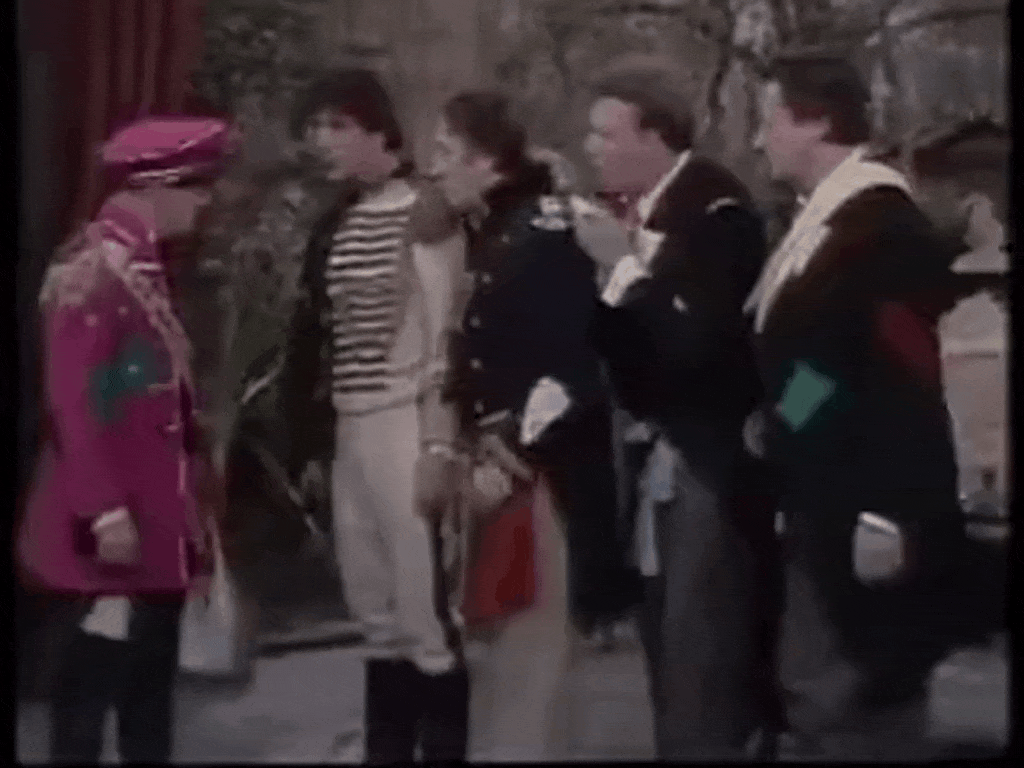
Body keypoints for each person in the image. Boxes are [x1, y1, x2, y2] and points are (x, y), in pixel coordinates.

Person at [744, 55, 976, 760]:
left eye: (769, 120)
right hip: (822, 493)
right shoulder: (829, 222)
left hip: (865, 503)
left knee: (850, 696)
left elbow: (853, 366)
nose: (758, 139)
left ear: (816, 122)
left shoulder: (878, 229)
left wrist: (782, 421)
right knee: (818, 691)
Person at [15, 115, 238, 763]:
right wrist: (105, 509)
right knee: (88, 691)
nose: (205, 202)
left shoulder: (143, 266)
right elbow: (75, 401)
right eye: (196, 187)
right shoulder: (95, 270)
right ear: (156, 186)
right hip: (111, 521)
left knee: (148, 687)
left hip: (157, 514)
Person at [583, 57, 784, 760]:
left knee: (701, 652)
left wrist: (623, 272)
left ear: (655, 136)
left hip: (709, 457)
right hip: (655, 455)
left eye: (607, 134)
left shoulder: (715, 213)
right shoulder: (645, 213)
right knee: (666, 644)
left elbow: (696, 346)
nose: (592, 149)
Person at [430, 91, 638, 761]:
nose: (434, 167)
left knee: (530, 662)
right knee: (501, 658)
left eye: (445, 152)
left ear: (487, 160)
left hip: (539, 479)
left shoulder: (543, 234)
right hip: (497, 473)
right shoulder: (497, 230)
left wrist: (511, 447)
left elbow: (571, 365)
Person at [277, 68, 468, 764]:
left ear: (378, 130)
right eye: (315, 127)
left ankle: (441, 747)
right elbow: (311, 341)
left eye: (337, 125)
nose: (322, 141)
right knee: (372, 609)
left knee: (425, 611)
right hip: (350, 426)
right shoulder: (336, 223)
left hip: (405, 419)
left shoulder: (427, 211)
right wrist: (308, 443)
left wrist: (439, 444)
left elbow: (448, 333)